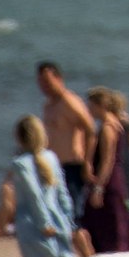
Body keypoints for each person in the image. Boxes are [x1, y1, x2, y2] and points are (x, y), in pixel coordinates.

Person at [0, 115, 78, 257]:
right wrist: (69, 221)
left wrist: (43, 224)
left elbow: (34, 196)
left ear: (19, 138)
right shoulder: (51, 157)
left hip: (32, 224)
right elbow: (63, 193)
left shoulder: (20, 163)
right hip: (58, 220)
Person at [37, 62, 96, 210]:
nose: (44, 87)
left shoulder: (69, 102)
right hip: (55, 165)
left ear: (59, 79)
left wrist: (88, 162)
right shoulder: (49, 105)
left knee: (73, 210)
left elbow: (91, 129)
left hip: (73, 164)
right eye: (41, 83)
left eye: (48, 82)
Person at [80, 88, 129, 253]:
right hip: (115, 180)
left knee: (106, 227)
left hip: (109, 183)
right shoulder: (116, 123)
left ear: (100, 106)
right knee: (114, 225)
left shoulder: (107, 128)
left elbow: (107, 160)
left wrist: (98, 188)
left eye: (91, 106)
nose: (89, 110)